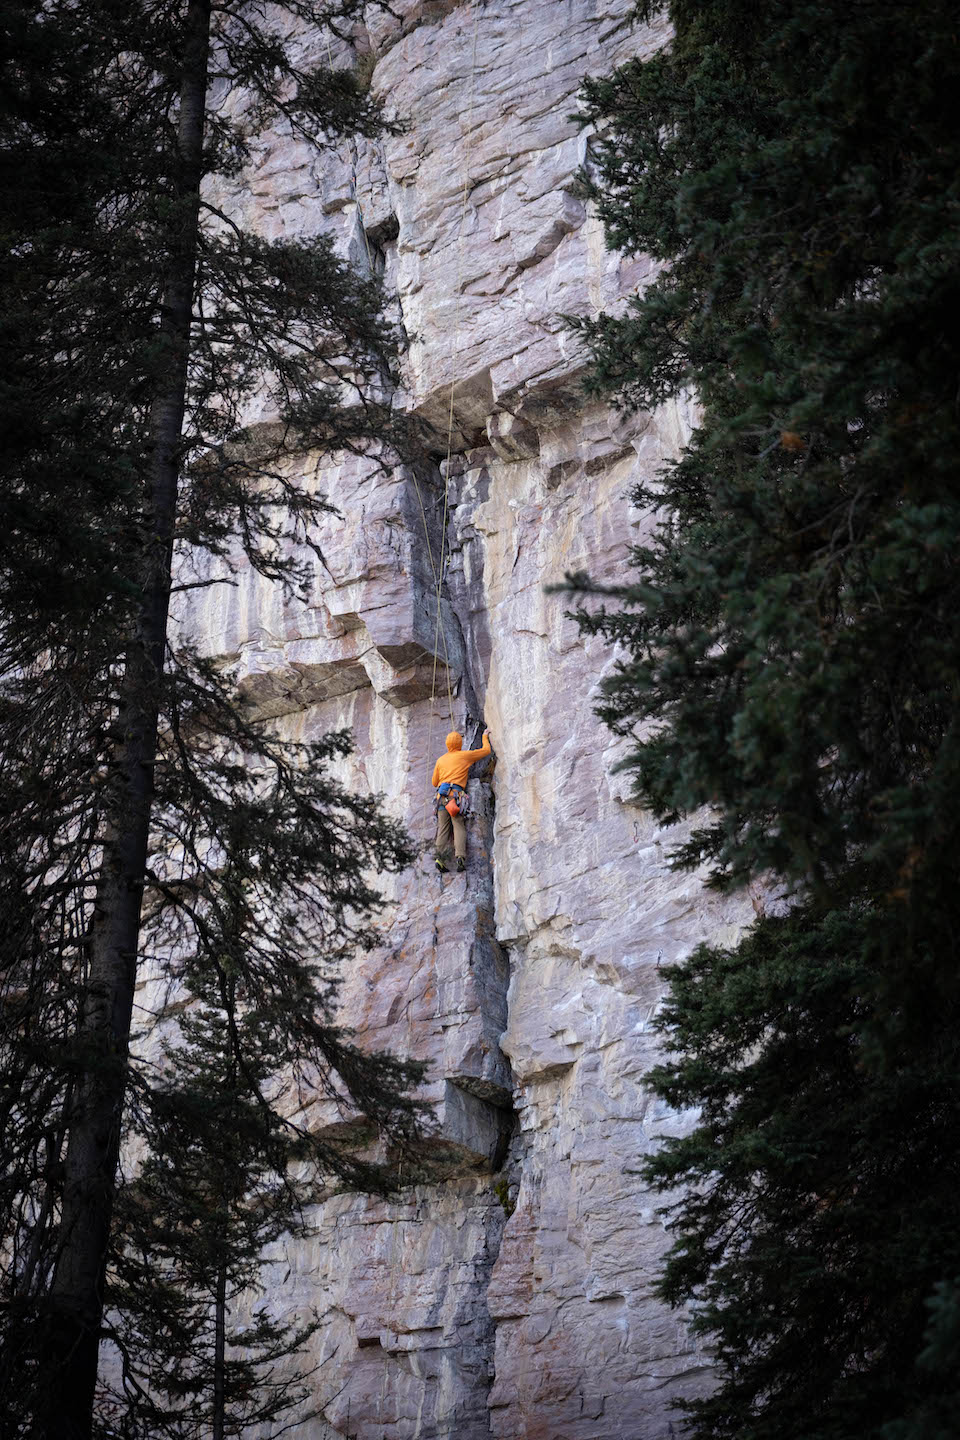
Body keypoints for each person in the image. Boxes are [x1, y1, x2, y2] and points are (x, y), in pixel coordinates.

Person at [431, 728, 491, 872]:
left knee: (443, 829)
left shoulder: (441, 760)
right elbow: (486, 751)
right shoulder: (464, 756)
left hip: (441, 797)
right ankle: (460, 857)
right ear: (460, 743)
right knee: (458, 825)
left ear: (447, 744)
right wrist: (484, 736)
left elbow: (434, 782)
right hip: (455, 798)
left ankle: (439, 858)